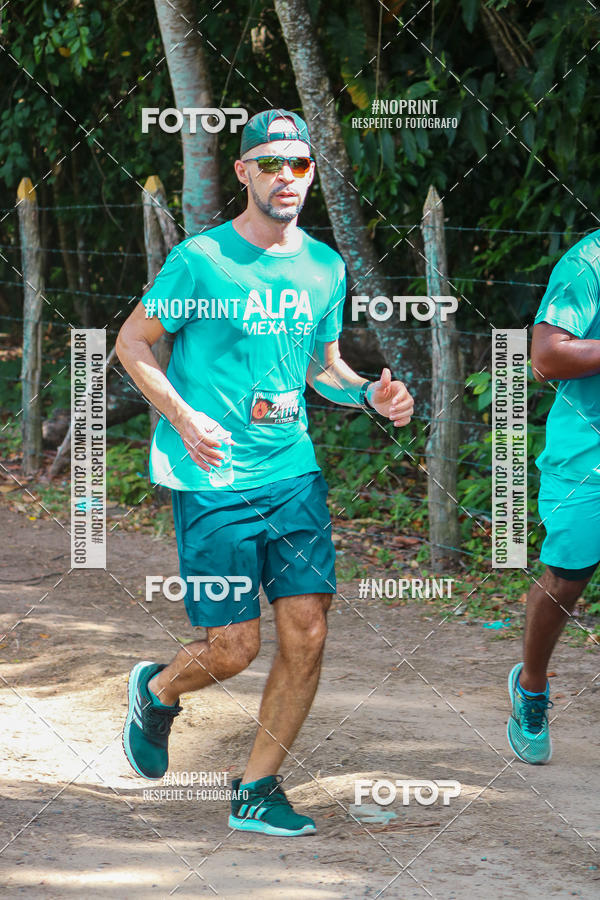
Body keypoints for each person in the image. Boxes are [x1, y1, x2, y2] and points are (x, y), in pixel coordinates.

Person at [116, 109, 414, 835]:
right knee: (234, 649)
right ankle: (157, 692)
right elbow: (133, 343)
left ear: (311, 174)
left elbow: (322, 366)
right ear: (244, 171)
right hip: (214, 479)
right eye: (271, 162)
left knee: (307, 631)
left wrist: (368, 394)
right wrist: (183, 417)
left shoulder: (325, 267)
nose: (286, 176)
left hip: (292, 474)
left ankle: (257, 789)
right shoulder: (201, 260)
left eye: (299, 164)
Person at [507, 230, 600, 764]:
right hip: (587, 457)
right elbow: (545, 357)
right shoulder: (588, 262)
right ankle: (532, 685)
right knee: (567, 579)